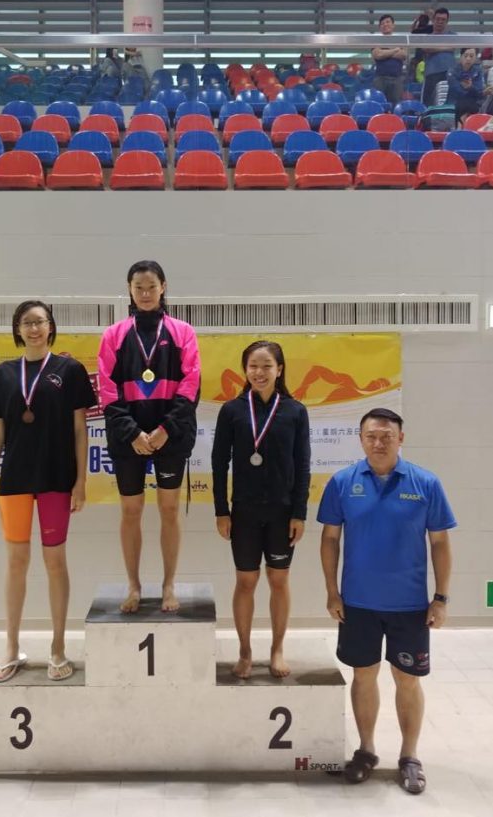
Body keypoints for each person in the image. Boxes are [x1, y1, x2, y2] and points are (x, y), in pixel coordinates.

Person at [318, 408, 456, 795]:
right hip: (358, 604)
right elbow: (330, 539)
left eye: (386, 436)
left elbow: (440, 543)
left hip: (410, 606)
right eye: (371, 436)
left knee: (407, 680)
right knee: (363, 676)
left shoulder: (426, 483)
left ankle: (409, 756)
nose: (378, 443)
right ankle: (366, 750)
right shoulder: (342, 482)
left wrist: (440, 598)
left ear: (401, 438)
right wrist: (332, 591)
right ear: (361, 439)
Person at [0, 300, 95, 682]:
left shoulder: (69, 371)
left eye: (40, 322)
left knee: (55, 561)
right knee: (16, 562)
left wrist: (81, 481)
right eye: (27, 323)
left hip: (56, 478)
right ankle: (12, 648)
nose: (34, 329)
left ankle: (58, 648)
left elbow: (80, 430)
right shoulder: (2, 375)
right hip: (14, 480)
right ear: (17, 329)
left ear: (51, 327)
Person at [98, 261, 200, 614]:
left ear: (163, 287)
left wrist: (164, 430)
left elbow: (191, 384)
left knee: (169, 509)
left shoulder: (183, 332)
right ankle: (134, 585)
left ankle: (169, 584)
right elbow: (107, 390)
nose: (145, 293)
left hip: (170, 435)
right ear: (129, 289)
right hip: (128, 438)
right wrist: (132, 432)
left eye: (151, 286)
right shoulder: (113, 335)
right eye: (138, 287)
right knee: (131, 510)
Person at [212, 341, 310, 679]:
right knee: (246, 580)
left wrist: (299, 513)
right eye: (253, 366)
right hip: (244, 511)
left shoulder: (295, 411)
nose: (259, 372)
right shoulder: (232, 411)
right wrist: (221, 510)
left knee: (279, 579)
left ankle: (277, 649)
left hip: (283, 512)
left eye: (267, 366)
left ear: (279, 370)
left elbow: (303, 464)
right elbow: (218, 463)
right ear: (245, 370)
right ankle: (244, 651)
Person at [421, 7, 456, 106]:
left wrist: (435, 48)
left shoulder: (453, 35)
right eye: (438, 19)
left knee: (449, 102)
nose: (440, 22)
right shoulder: (427, 38)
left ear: (447, 21)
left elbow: (452, 47)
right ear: (433, 20)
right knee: (429, 103)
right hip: (432, 75)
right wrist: (445, 47)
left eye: (443, 19)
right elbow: (426, 49)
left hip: (449, 74)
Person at [372, 14, 406, 106]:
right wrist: (395, 50)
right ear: (380, 27)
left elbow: (403, 55)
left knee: (397, 106)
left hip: (397, 79)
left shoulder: (400, 40)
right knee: (379, 105)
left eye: (388, 22)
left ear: (393, 25)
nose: (385, 24)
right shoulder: (376, 40)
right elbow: (378, 55)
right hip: (380, 79)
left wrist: (385, 51)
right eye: (382, 23)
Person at [447, 48, 484, 127]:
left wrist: (470, 87)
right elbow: (456, 90)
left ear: (475, 58)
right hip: (454, 103)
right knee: (463, 104)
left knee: (473, 104)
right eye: (465, 56)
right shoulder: (452, 71)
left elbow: (480, 92)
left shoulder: (478, 71)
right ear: (461, 57)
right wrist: (471, 90)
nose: (468, 59)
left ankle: (464, 126)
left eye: (471, 56)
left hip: (472, 104)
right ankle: (461, 126)